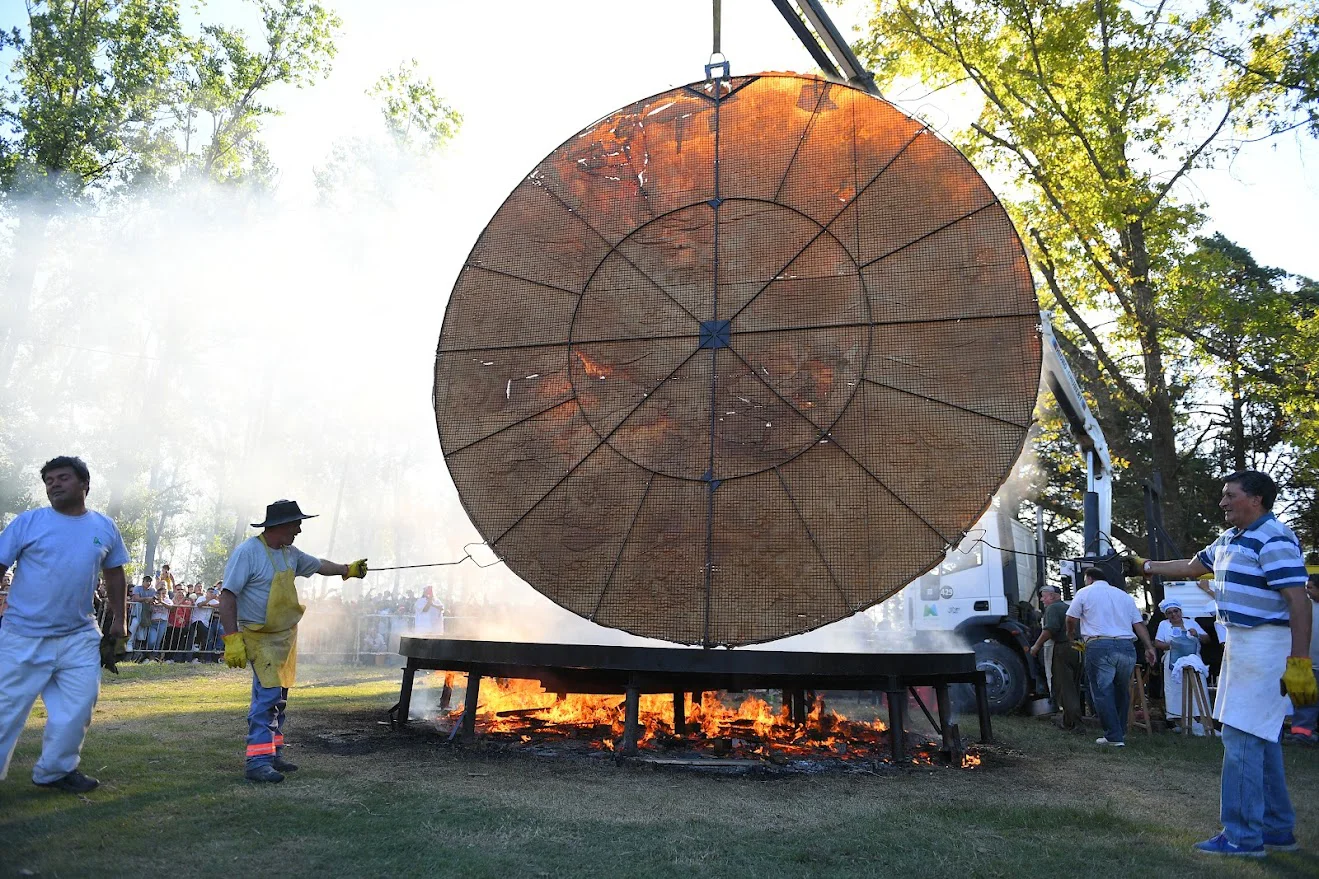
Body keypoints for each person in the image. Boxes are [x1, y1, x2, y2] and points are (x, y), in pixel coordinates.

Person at [1133, 470, 1313, 857]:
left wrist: (1298, 662)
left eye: (1230, 495)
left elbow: (1298, 600)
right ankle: (1277, 830)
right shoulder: (1232, 538)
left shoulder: (1274, 537)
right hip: (1241, 645)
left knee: (1241, 738)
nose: (1223, 502)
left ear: (1257, 499)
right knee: (1260, 739)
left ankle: (1242, 837)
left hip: (1266, 644)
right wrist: (1146, 566)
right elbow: (1192, 567)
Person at [0, 456, 129, 794]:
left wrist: (120, 620)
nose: (53, 484)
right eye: (48, 481)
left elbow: (115, 574)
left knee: (78, 706)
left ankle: (56, 771)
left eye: (62, 478)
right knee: (4, 711)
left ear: (85, 484)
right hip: (22, 634)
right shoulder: (28, 523)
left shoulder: (104, 527)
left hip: (79, 635)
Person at [220, 499, 367, 783]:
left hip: (285, 638)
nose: (299, 529)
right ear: (280, 526)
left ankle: (273, 753)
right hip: (259, 638)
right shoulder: (248, 553)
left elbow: (319, 564)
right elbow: (227, 596)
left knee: (280, 697)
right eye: (296, 524)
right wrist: (232, 639)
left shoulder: (290, 553)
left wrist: (346, 569)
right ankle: (257, 762)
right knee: (267, 698)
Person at [1065, 566, 1157, 747]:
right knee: (1122, 690)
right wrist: (1149, 647)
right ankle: (1119, 732)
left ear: (1089, 578)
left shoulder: (1085, 592)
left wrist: (1070, 636)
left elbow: (1070, 618)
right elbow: (1138, 624)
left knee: (1102, 692)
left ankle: (1113, 737)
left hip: (1100, 645)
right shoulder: (1124, 596)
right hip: (1126, 646)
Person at [1030, 584, 1082, 730]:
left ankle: (1074, 724)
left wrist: (1036, 646)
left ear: (1053, 596)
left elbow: (1051, 629)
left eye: (1044, 596)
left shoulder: (1052, 608)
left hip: (1064, 647)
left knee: (1064, 687)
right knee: (1074, 685)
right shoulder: (1067, 607)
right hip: (1078, 648)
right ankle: (1068, 720)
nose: (1042, 599)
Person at [1153, 599, 1211, 731]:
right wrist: (1172, 645)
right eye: (1169, 613)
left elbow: (1207, 639)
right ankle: (1180, 720)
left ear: (1180, 611)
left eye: (1175, 611)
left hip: (1193, 659)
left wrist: (1198, 634)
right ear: (1166, 615)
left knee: (1197, 686)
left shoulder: (1191, 622)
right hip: (1173, 661)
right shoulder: (1164, 625)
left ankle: (1200, 719)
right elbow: (1157, 643)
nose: (1174, 615)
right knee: (1176, 689)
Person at [1285, 571, 1319, 743]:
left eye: (1311, 588)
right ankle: (1302, 735)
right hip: (1308, 665)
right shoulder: (1305, 607)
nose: (1307, 591)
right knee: (1306, 701)